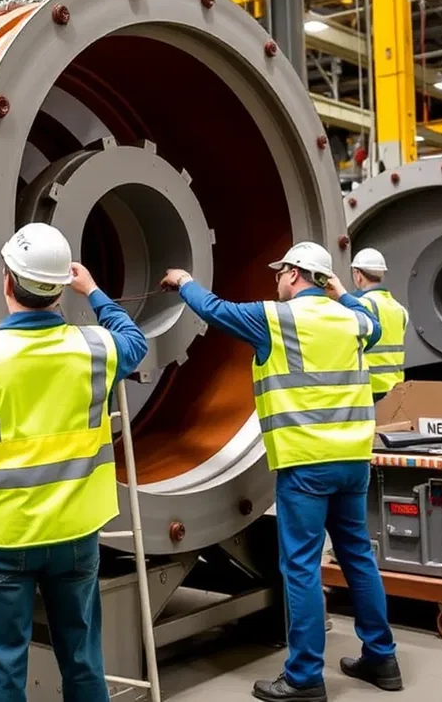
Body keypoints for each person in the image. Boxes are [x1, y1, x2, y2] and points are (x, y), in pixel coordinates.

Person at [0, 223, 147, 702]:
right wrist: (94, 292)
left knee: (3, 667)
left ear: (7, 281)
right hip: (75, 533)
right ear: (61, 290)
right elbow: (134, 341)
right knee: (83, 659)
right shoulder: (95, 348)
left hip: (5, 535)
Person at [163, 242, 401, 702]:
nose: (276, 281)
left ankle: (305, 676)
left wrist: (183, 281)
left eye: (280, 273)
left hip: (306, 465)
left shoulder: (276, 318)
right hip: (353, 461)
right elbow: (370, 325)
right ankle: (382, 657)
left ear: (293, 273)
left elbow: (215, 310)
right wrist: (340, 292)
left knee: (302, 567)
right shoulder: (353, 320)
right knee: (357, 556)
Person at [349, 248, 407, 402]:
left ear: (358, 275)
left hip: (368, 390)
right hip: (395, 390)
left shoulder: (360, 305)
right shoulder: (399, 309)